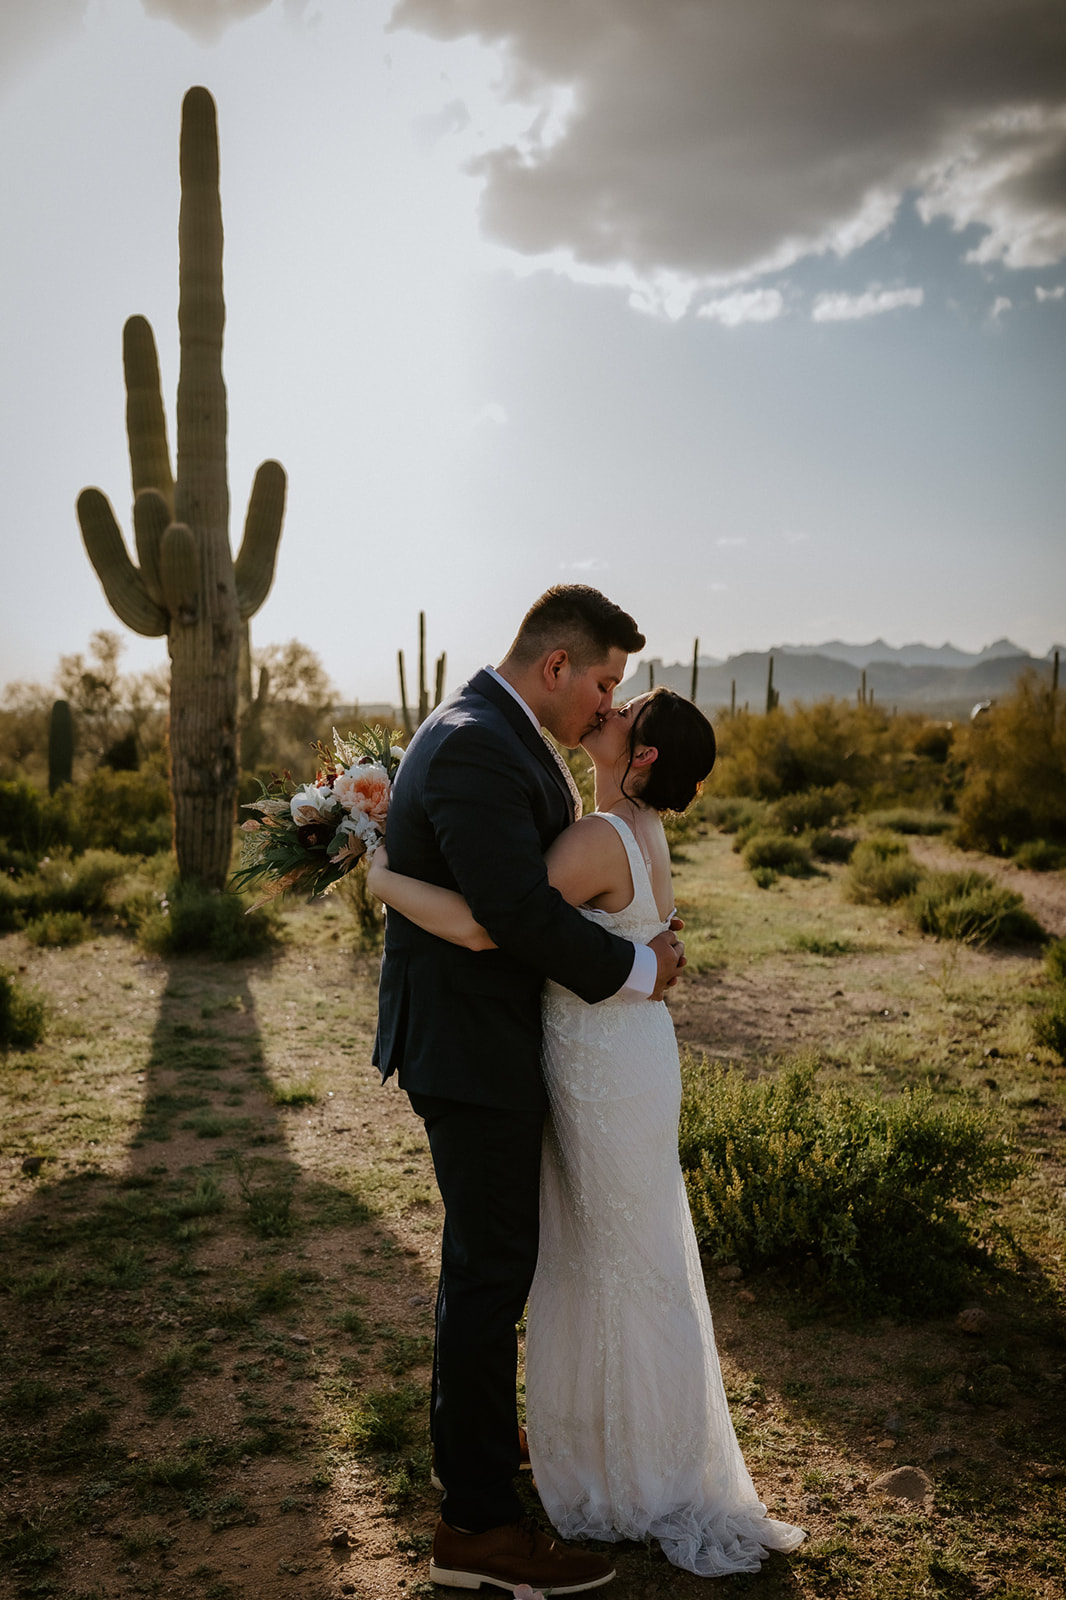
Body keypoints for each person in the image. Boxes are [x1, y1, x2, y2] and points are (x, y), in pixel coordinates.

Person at [370, 683, 807, 1577]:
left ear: (639, 756)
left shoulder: (597, 835)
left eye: (620, 713)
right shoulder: (640, 831)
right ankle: (634, 1443)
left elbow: (497, 922)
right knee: (629, 1252)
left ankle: (620, 1464)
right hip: (634, 1055)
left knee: (602, 1256)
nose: (601, 713)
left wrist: (380, 871)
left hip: (598, 1064)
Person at [371, 586, 685, 1595]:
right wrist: (641, 972)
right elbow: (507, 915)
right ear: (557, 666)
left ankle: (476, 1449)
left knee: (492, 1261)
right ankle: (476, 1525)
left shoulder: (499, 732)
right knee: (488, 1269)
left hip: (500, 1041)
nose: (603, 703)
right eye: (601, 680)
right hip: (470, 1048)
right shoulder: (473, 740)